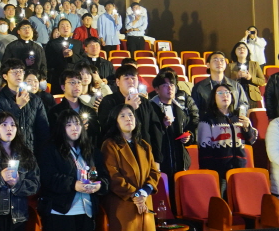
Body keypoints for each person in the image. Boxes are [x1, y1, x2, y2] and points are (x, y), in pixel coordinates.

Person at [101, 104, 159, 231]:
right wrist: (135, 194)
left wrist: (144, 192)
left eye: (131, 115)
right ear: (115, 121)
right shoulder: (110, 145)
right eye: (123, 115)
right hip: (122, 202)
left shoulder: (144, 144)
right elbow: (113, 175)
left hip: (143, 202)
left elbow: (154, 172)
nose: (128, 118)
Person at [97, 65, 164, 170]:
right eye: (126, 78)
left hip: (144, 155)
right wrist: (127, 107)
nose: (131, 81)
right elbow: (106, 127)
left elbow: (155, 131)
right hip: (119, 156)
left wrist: (157, 159)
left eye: (133, 78)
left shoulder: (145, 102)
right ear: (118, 82)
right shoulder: (108, 101)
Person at [196, 82, 257, 195]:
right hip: (219, 172)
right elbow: (204, 151)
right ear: (213, 98)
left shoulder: (238, 118)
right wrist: (211, 173)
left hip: (239, 168)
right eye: (220, 93)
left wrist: (247, 127)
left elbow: (252, 140)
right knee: (221, 201)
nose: (225, 95)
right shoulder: (207, 120)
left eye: (227, 92)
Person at [149, 71, 198, 207]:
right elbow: (147, 134)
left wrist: (189, 137)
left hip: (179, 160)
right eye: (165, 85)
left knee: (179, 199)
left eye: (172, 85)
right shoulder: (150, 109)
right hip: (160, 160)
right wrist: (161, 126)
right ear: (157, 89)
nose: (170, 88)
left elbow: (189, 130)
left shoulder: (180, 109)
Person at [0, 59, 50, 148]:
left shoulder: (35, 99)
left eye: (21, 71)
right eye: (14, 72)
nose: (18, 74)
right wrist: (18, 106)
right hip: (9, 149)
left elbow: (43, 129)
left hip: (31, 149)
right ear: (5, 76)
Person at [191, 51, 250, 117]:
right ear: (208, 65)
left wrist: (237, 117)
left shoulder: (236, 86)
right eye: (215, 60)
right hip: (208, 122)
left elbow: (244, 104)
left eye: (222, 60)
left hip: (232, 121)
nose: (219, 63)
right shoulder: (199, 87)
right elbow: (194, 110)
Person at [225, 42, 265, 109]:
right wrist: (236, 77)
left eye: (244, 48)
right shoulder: (229, 66)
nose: (242, 49)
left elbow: (262, 81)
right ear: (235, 52)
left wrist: (250, 78)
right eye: (239, 48)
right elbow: (225, 82)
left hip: (251, 96)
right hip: (236, 95)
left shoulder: (255, 64)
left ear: (248, 51)